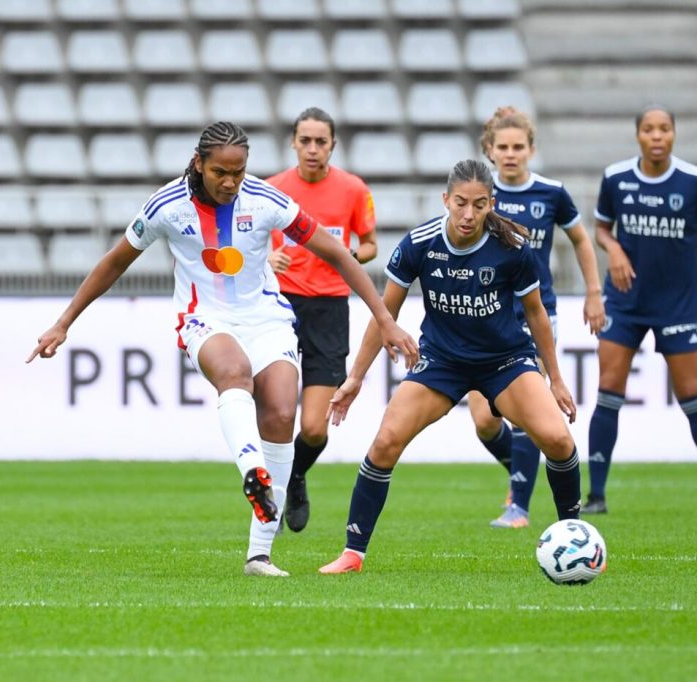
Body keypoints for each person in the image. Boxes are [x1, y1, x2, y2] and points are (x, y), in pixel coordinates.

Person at [26, 121, 418, 577]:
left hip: (267, 317)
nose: (231, 182)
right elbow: (114, 262)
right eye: (220, 173)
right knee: (234, 372)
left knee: (279, 413)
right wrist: (63, 322)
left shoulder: (266, 200)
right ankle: (254, 472)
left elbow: (336, 252)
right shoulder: (166, 206)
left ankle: (259, 556)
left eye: (239, 172)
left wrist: (385, 319)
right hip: (204, 319)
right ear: (199, 164)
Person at [319, 159, 582, 575]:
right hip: (442, 362)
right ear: (446, 200)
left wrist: (556, 379)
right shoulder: (419, 243)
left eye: (479, 205)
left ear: (491, 203)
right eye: (460, 203)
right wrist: (355, 377)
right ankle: (353, 553)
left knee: (558, 440)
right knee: (386, 441)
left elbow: (536, 313)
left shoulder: (512, 247)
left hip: (506, 361)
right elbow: (384, 314)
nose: (468, 214)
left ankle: (576, 538)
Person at [582, 105, 697, 516]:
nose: (657, 136)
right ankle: (596, 496)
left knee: (692, 397)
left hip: (676, 305)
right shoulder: (616, 177)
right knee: (608, 392)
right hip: (626, 302)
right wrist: (613, 247)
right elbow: (600, 228)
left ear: (674, 134)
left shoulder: (694, 181)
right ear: (638, 135)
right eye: (649, 129)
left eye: (664, 129)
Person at [468, 107, 605, 530]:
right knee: (484, 422)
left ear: (531, 149)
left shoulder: (551, 192)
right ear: (489, 151)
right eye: (502, 147)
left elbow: (581, 239)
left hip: (534, 312)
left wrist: (593, 292)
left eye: (518, 147)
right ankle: (525, 471)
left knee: (526, 410)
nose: (510, 154)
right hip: (484, 315)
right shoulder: (480, 196)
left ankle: (519, 507)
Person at [265, 107, 378, 533]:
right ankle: (270, 500)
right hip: (278, 306)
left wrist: (348, 254)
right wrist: (264, 258)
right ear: (293, 142)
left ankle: (295, 477)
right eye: (305, 140)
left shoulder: (352, 190)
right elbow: (247, 240)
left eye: (321, 141)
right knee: (275, 415)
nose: (313, 149)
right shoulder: (272, 189)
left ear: (333, 145)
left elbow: (369, 245)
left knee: (314, 428)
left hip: (330, 309)